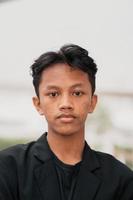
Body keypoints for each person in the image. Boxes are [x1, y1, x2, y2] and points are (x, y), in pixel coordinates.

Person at [0, 44, 133, 200]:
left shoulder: (119, 179)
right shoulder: (8, 168)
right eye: (53, 94)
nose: (66, 103)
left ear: (92, 102)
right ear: (38, 104)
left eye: (77, 93)